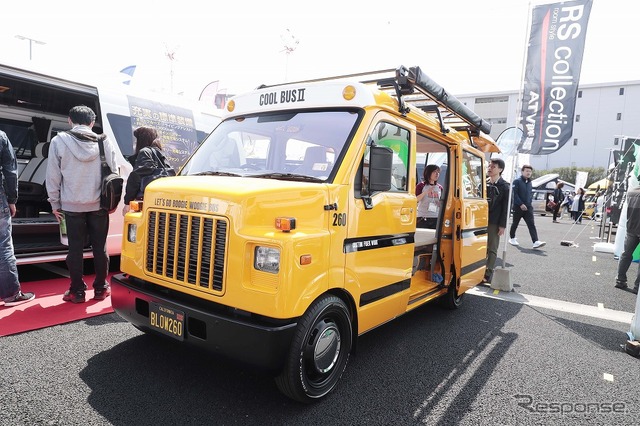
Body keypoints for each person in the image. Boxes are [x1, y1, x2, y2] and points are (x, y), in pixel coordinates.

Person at [46, 105, 118, 303]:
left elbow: (52, 176)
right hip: (99, 206)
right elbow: (114, 171)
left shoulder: (58, 141)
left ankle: (76, 291)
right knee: (100, 248)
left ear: (70, 120)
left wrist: (54, 203)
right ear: (92, 122)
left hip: (70, 206)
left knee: (74, 249)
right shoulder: (104, 141)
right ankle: (101, 288)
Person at [0, 131, 36, 306]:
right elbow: (10, 171)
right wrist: (12, 200)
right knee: (3, 247)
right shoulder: (1, 136)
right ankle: (11, 294)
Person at [122, 126, 172, 215]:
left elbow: (136, 176)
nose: (135, 143)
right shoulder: (161, 153)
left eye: (136, 140)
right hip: (159, 201)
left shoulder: (145, 152)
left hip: (145, 201)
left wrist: (127, 202)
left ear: (141, 140)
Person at [483, 158, 510, 283]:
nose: (489, 168)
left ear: (500, 169)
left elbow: (506, 208)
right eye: (489, 165)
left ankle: (488, 273)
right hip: (481, 219)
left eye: (493, 166)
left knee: (492, 248)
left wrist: (502, 225)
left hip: (495, 221)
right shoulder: (484, 183)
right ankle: (479, 271)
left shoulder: (505, 186)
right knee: (481, 247)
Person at [509, 164, 546, 249]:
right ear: (522, 172)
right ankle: (512, 238)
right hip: (518, 207)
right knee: (515, 223)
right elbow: (514, 194)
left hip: (528, 207)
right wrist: (520, 204)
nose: (528, 173)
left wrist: (529, 204)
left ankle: (536, 241)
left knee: (531, 224)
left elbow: (529, 195)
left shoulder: (530, 182)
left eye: (530, 171)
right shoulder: (517, 181)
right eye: (527, 171)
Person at [615, 186, 640, 294]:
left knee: (626, 254)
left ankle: (620, 280)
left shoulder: (631, 191)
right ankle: (637, 286)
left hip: (631, 227)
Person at [416, 164, 443, 229]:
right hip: (423, 217)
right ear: (428, 173)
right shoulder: (421, 186)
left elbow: (442, 202)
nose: (437, 174)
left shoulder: (439, 187)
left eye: (438, 172)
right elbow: (416, 199)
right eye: (434, 172)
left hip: (436, 217)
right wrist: (425, 192)